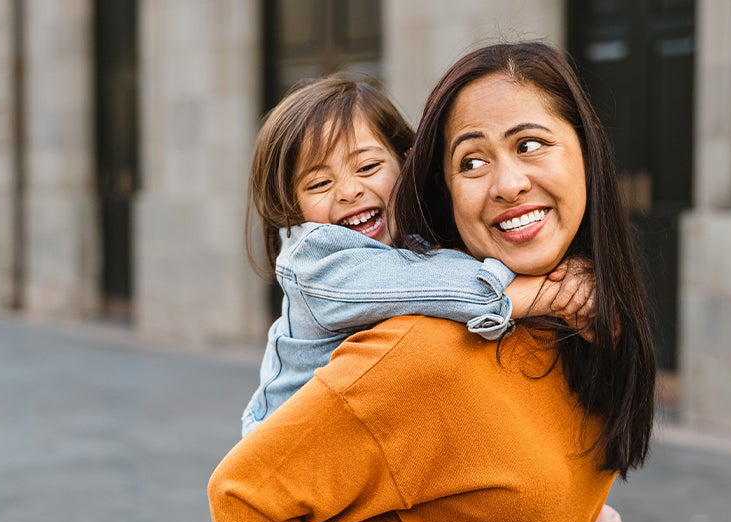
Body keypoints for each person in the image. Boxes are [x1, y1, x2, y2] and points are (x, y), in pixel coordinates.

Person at [211, 41, 655, 522]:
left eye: (529, 144)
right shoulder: (395, 330)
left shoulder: (567, 320)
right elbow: (242, 494)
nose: (349, 191)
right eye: (471, 160)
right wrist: (534, 294)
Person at [241, 75, 597, 437]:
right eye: (319, 184)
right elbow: (440, 287)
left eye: (367, 167)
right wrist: (554, 292)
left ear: (406, 162)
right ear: (291, 207)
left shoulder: (413, 240)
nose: (349, 191)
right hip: (290, 454)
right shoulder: (314, 261)